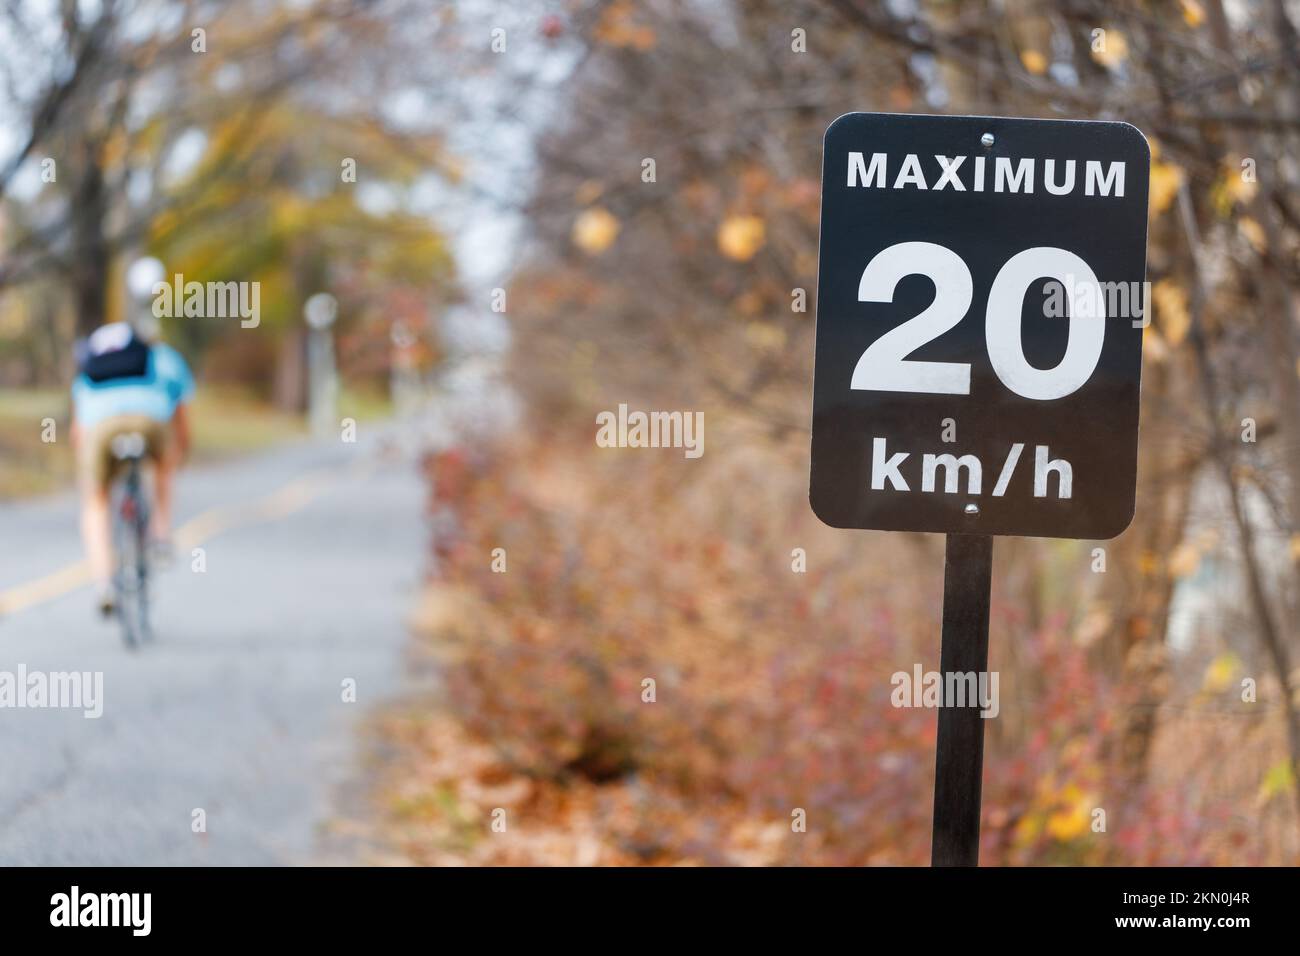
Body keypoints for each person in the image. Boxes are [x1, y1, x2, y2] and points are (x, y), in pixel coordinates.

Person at [71, 320, 194, 616]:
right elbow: (180, 416)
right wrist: (178, 454)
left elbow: (78, 431)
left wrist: (92, 473)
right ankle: (161, 534)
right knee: (165, 466)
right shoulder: (161, 357)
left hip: (101, 429)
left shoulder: (90, 365)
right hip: (148, 421)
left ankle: (104, 584)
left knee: (96, 502)